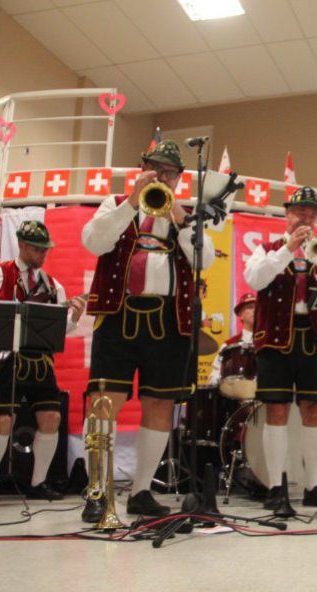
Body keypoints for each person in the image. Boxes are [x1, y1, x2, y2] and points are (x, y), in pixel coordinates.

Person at [80, 139, 215, 522]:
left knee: (159, 404)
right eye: (154, 169)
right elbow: (93, 241)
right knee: (105, 402)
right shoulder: (115, 203)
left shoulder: (186, 216)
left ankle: (140, 491)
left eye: (169, 172)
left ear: (179, 179)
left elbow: (204, 260)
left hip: (166, 322)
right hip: (119, 314)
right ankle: (97, 490)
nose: (161, 176)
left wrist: (183, 222)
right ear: (142, 169)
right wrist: (130, 203)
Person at [0, 221, 85, 503]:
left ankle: (38, 483)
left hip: (40, 363)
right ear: (22, 245)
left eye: (45, 249)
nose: (42, 254)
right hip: (6, 361)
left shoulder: (52, 285)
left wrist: (73, 315)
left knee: (52, 417)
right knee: (3, 419)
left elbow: (64, 330)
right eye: (37, 248)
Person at [244, 186, 317, 509]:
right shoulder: (267, 248)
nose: (307, 218)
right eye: (301, 212)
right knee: (277, 410)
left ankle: (314, 486)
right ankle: (275, 486)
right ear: (287, 214)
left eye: (312, 215)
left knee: (315, 410)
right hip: (276, 340)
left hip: (315, 339)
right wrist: (288, 248)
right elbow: (256, 280)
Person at [207, 292, 255, 389]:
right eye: (250, 307)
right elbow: (214, 375)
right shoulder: (229, 345)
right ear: (240, 315)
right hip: (236, 397)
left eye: (257, 307)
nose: (255, 310)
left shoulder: (267, 343)